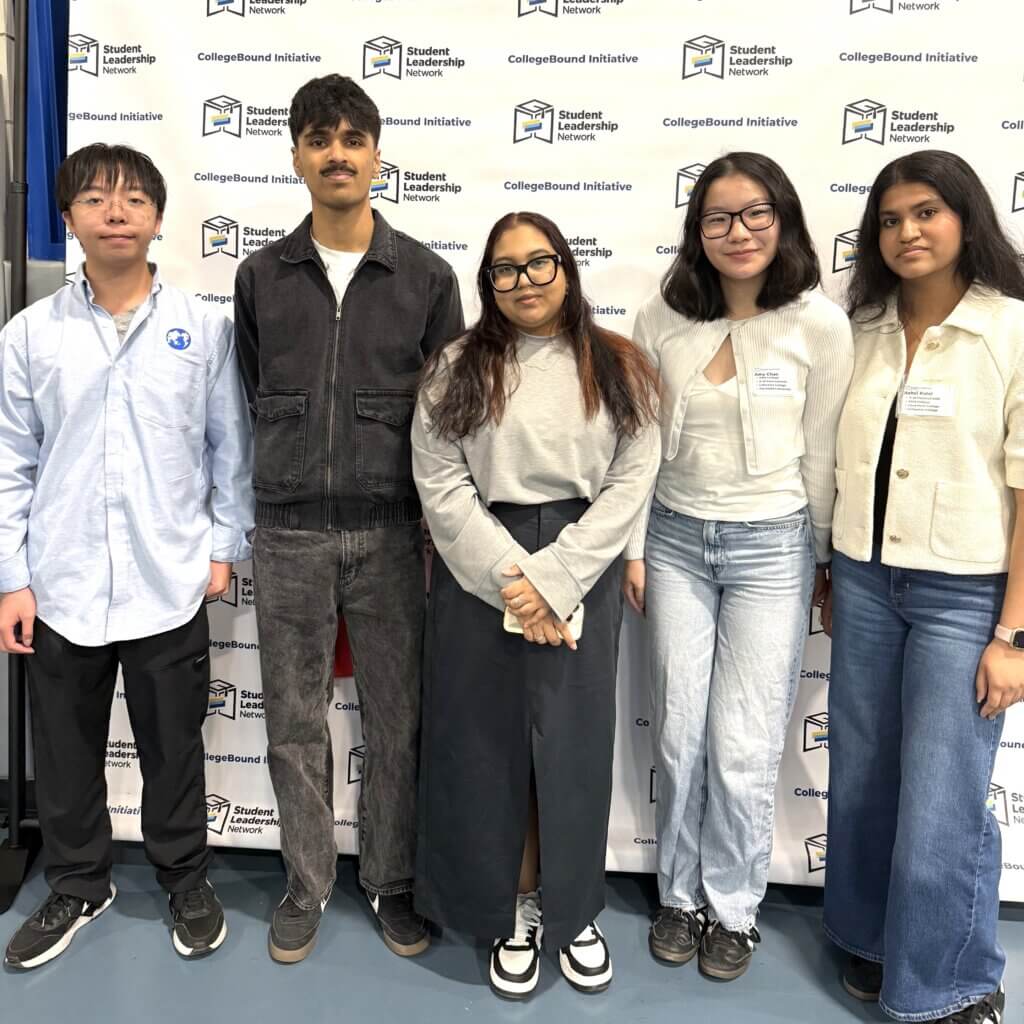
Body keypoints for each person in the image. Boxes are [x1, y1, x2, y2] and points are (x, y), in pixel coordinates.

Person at [0, 143, 254, 968]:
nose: (117, 212)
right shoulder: (31, 335)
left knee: (174, 745)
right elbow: (11, 461)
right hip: (63, 580)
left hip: (168, 576)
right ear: (68, 216)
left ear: (156, 218)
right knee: (67, 748)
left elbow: (229, 448)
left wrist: (221, 547)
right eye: (98, 198)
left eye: (135, 199)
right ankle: (79, 881)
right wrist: (13, 578)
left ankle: (185, 876)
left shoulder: (200, 328)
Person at [232, 74, 464, 964]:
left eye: (352, 137)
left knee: (397, 717)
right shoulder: (261, 277)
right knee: (292, 718)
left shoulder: (428, 277)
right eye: (318, 137)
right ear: (295, 154)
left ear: (376, 152)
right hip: (287, 533)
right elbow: (254, 392)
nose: (337, 152)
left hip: (395, 534)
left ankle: (393, 880)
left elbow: (451, 418)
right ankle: (305, 880)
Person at [412, 210, 660, 999]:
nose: (524, 281)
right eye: (505, 269)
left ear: (567, 266)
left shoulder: (617, 363)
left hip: (580, 559)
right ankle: (510, 908)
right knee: (488, 752)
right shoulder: (457, 365)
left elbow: (631, 477)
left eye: (538, 263)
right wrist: (513, 581)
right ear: (487, 282)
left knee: (574, 752)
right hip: (480, 564)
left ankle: (573, 910)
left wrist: (556, 580)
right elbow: (441, 481)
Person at [623, 152, 854, 980]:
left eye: (756, 213)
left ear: (784, 220)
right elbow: (641, 442)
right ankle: (678, 896)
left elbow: (825, 450)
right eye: (718, 218)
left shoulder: (819, 324)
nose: (739, 232)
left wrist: (823, 556)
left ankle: (734, 907)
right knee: (681, 733)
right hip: (677, 542)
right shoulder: (663, 317)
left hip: (772, 550)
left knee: (743, 742)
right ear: (697, 234)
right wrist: (636, 546)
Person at [822, 150, 1024, 1024]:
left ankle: (949, 981)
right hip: (865, 580)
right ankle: (869, 938)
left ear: (966, 219)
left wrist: (1013, 634)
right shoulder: (857, 325)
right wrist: (834, 569)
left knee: (942, 793)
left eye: (927, 213)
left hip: (965, 594)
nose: (907, 232)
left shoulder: (1012, 331)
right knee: (862, 776)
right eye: (891, 219)